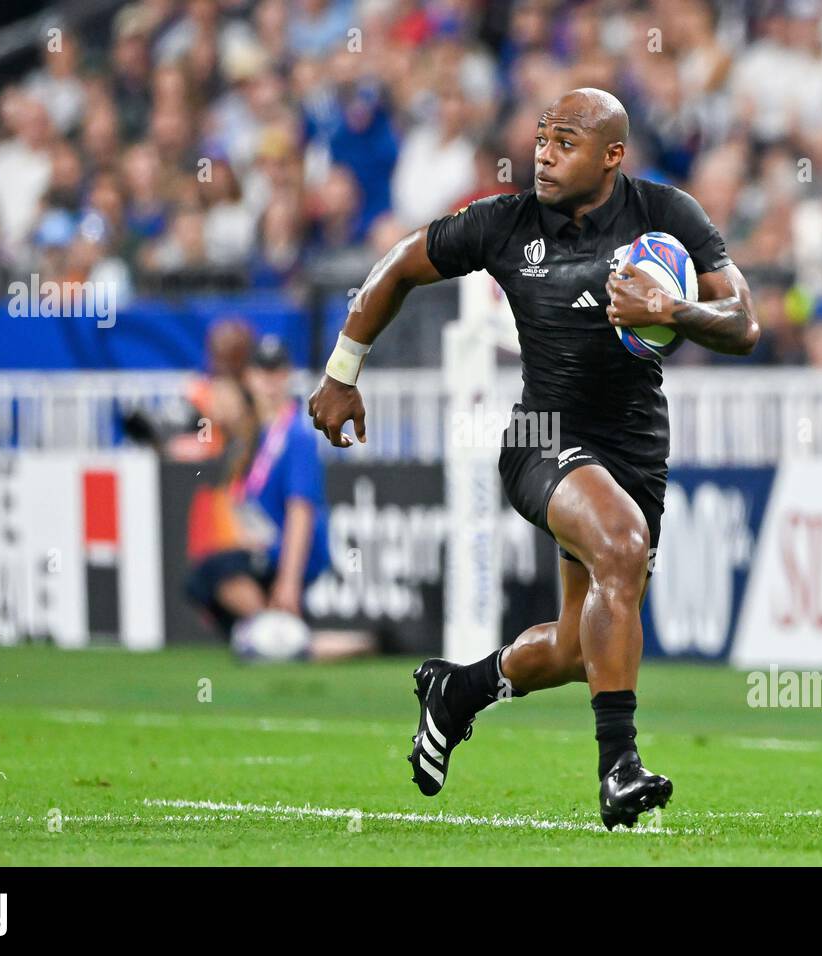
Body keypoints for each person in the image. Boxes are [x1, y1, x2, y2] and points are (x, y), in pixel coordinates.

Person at [307, 88, 759, 829]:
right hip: (542, 438)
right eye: (543, 136)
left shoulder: (666, 214)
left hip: (637, 447)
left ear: (613, 155)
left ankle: (458, 691)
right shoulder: (505, 223)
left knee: (582, 647)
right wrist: (340, 372)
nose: (545, 152)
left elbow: (743, 324)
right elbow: (394, 267)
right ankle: (620, 768)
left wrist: (669, 312)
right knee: (620, 544)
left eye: (567, 141)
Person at [186, 334, 331, 642]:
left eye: (277, 372)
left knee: (217, 571)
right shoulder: (254, 432)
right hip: (263, 547)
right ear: (249, 377)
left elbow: (300, 511)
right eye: (262, 372)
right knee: (204, 577)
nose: (270, 381)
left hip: (285, 552)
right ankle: (272, 632)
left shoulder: (296, 434)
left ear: (288, 375)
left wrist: (289, 581)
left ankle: (275, 633)